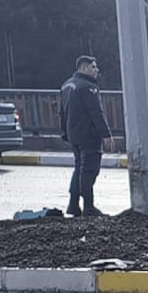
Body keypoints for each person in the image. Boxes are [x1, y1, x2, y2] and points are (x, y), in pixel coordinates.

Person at [59, 55, 111, 217]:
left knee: (78, 169)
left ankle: (73, 204)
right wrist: (106, 134)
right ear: (84, 68)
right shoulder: (88, 87)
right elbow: (96, 113)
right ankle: (89, 206)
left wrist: (65, 132)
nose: (96, 70)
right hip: (89, 135)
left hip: (73, 134)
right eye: (93, 67)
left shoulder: (67, 85)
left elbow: (61, 112)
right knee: (89, 170)